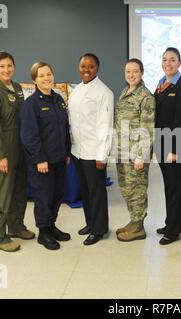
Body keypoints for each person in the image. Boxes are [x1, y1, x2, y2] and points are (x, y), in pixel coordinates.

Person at [0, 51, 35, 252]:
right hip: (4, 150)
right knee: (2, 192)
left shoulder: (18, 88)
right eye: (2, 66)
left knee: (19, 189)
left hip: (20, 148)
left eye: (10, 65)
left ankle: (16, 225)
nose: (6, 69)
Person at [20, 61, 71, 250]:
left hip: (59, 159)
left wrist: (66, 152)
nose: (46, 78)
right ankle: (43, 233)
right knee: (44, 197)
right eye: (41, 75)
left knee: (57, 195)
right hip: (42, 162)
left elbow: (64, 129)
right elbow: (28, 136)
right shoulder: (31, 104)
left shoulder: (58, 99)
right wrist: (40, 158)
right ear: (34, 79)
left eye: (48, 74)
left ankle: (51, 226)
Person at [68, 53, 114, 246]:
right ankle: (90, 222)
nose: (86, 70)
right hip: (77, 149)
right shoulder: (76, 89)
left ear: (97, 68)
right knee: (85, 191)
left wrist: (102, 155)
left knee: (96, 191)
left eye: (91, 66)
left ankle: (99, 228)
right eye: (83, 66)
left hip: (94, 151)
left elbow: (106, 125)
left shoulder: (104, 92)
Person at [154, 47, 181, 245]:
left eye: (172, 60)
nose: (167, 63)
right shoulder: (161, 84)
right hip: (161, 143)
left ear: (179, 63)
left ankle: (172, 231)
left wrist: (175, 150)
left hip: (173, 146)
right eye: (164, 60)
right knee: (169, 186)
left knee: (174, 187)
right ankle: (174, 223)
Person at [114, 58, 155, 242]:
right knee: (126, 188)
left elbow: (148, 128)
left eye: (135, 71)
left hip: (136, 154)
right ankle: (133, 220)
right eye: (128, 71)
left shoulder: (145, 96)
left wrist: (141, 155)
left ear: (142, 73)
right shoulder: (125, 92)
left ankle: (138, 227)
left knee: (137, 189)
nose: (131, 75)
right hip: (122, 151)